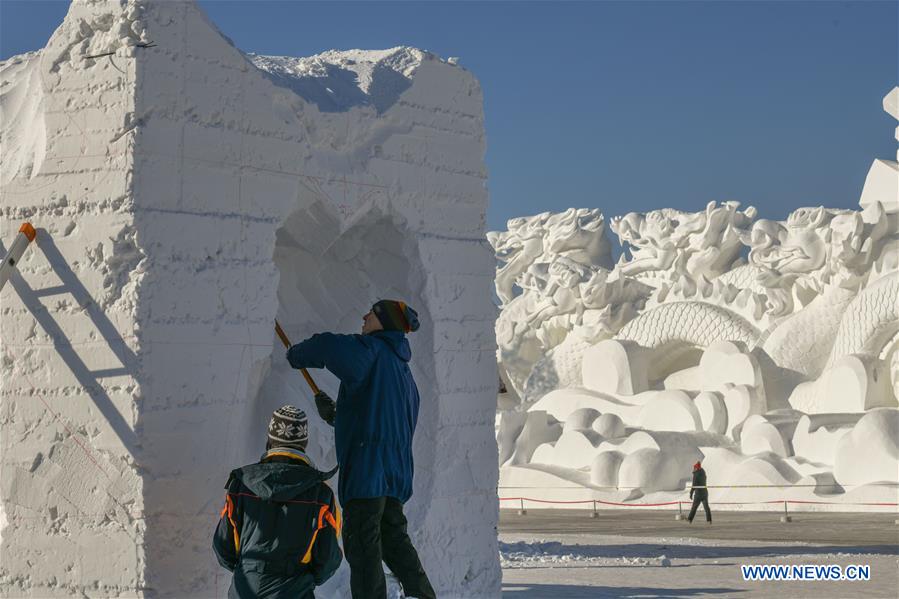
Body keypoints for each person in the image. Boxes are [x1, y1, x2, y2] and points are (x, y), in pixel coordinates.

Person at [286, 299, 437, 599]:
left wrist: (296, 355)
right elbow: (381, 422)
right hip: (394, 476)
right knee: (394, 542)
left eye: (373, 313)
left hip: (368, 475)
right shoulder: (404, 375)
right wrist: (337, 414)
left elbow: (328, 346)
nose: (365, 316)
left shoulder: (371, 351)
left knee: (362, 548)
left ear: (385, 323)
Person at [213, 406, 342, 598]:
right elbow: (327, 559)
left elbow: (223, 547)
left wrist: (249, 571)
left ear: (270, 440)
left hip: (245, 590)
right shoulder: (321, 494)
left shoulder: (240, 486)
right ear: (303, 443)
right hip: (294, 591)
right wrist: (302, 580)